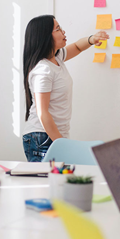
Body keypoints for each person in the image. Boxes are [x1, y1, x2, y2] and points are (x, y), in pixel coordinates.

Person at [22, 15, 109, 162]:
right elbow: (42, 113)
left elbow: (77, 46)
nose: (63, 32)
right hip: (42, 136)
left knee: (59, 182)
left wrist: (91, 39)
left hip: (53, 135)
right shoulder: (43, 70)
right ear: (45, 36)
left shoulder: (57, 59)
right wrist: (62, 144)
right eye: (58, 29)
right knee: (47, 183)